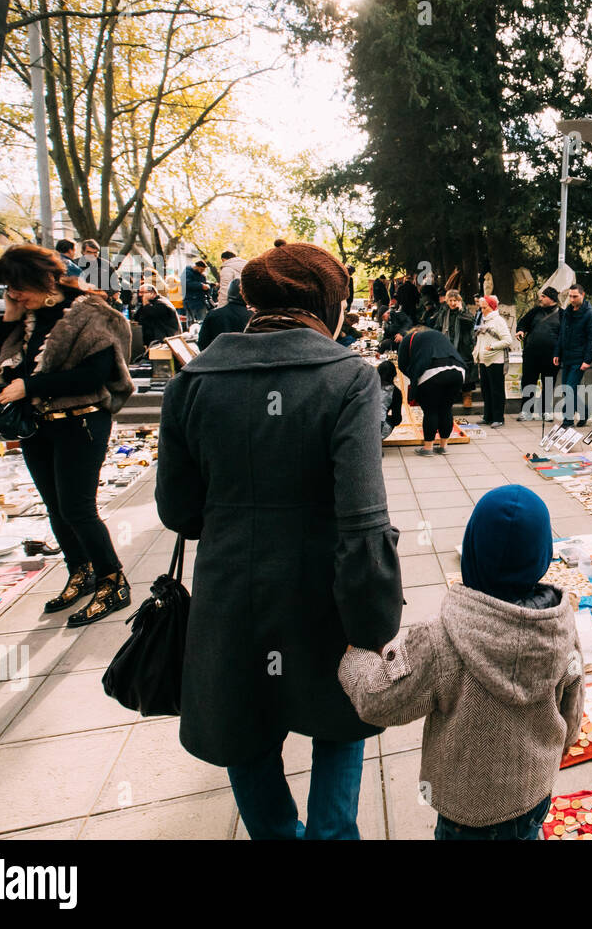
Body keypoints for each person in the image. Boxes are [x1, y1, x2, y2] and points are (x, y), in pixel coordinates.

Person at [155, 241, 402, 840]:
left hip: (229, 591)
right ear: (330, 305)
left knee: (246, 725)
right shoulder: (348, 379)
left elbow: (178, 509)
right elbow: (363, 521)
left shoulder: (192, 380)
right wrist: (373, 625)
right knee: (340, 720)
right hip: (323, 594)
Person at [338, 484, 583, 840]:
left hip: (465, 813)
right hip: (533, 798)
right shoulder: (561, 629)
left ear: (472, 550)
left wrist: (355, 659)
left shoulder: (439, 641)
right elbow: (571, 720)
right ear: (542, 555)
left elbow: (378, 701)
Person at [0, 245, 134, 627]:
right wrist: (10, 317)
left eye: (17, 288)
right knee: (54, 505)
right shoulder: (27, 315)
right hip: (38, 423)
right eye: (8, 290)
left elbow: (96, 374)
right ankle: (79, 570)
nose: (14, 295)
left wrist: (30, 385)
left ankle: (112, 580)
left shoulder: (91, 313)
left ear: (45, 279)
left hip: (81, 420)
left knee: (77, 507)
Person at [397, 325, 467, 457]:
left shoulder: (409, 338)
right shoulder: (438, 335)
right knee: (446, 409)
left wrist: (414, 377)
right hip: (458, 371)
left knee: (431, 410)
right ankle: (443, 446)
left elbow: (402, 363)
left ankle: (428, 447)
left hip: (432, 372)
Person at [553, 284, 592, 428]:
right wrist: (557, 353)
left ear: (582, 295)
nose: (572, 299)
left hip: (579, 359)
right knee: (567, 389)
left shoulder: (590, 315)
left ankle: (568, 421)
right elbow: (562, 334)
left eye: (575, 296)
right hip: (567, 357)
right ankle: (584, 413)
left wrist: (587, 360)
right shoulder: (567, 312)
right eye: (570, 296)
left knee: (569, 388)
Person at [515, 287, 561, 421]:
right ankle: (526, 411)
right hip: (531, 354)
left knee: (548, 383)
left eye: (543, 296)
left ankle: (545, 411)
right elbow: (523, 323)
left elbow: (565, 335)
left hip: (552, 356)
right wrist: (521, 330)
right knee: (528, 382)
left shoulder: (562, 314)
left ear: (551, 298)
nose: (540, 299)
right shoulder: (535, 311)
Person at [473, 294, 514, 429]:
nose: (482, 310)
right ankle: (488, 416)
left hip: (495, 360)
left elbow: (508, 340)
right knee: (486, 389)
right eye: (481, 307)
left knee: (496, 390)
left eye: (484, 307)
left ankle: (498, 418)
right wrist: (476, 352)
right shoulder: (482, 319)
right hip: (484, 360)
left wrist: (492, 347)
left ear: (491, 307)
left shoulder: (498, 321)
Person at [438, 289, 478, 409]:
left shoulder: (465, 311)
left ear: (459, 301)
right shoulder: (444, 312)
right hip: (448, 346)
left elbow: (470, 323)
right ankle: (452, 395)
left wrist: (461, 311)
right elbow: (438, 325)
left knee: (466, 371)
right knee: (450, 370)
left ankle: (467, 396)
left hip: (463, 346)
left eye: (455, 300)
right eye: (450, 300)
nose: (452, 303)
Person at [197, 277, 252, 350]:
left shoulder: (213, 315)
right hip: (247, 359)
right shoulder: (253, 317)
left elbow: (202, 343)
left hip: (217, 359)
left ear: (229, 292)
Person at [376, 359, 402, 438]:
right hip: (379, 428)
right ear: (393, 375)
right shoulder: (396, 392)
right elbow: (396, 419)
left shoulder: (368, 386)